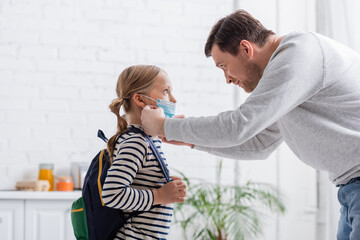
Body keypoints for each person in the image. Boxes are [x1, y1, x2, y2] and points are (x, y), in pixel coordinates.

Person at [140, 9, 360, 240]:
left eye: (224, 66)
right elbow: (259, 143)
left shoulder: (299, 53)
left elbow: (239, 126)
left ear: (246, 49)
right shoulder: (288, 78)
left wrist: (164, 127)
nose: (227, 79)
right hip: (349, 189)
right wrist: (189, 140)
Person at [102, 65, 186, 240]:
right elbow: (112, 194)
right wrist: (159, 195)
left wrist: (163, 184)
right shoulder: (136, 142)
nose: (173, 99)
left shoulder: (148, 139)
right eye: (165, 91)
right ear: (140, 99)